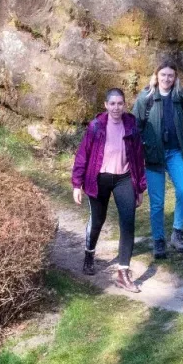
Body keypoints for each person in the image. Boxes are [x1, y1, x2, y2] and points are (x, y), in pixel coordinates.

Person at [71, 87, 146, 292]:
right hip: (99, 179)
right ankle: (89, 254)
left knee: (128, 222)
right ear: (106, 105)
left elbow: (138, 158)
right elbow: (82, 155)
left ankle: (123, 272)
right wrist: (77, 184)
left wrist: (139, 188)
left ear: (124, 105)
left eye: (120, 103)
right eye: (112, 104)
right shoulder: (96, 127)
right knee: (98, 220)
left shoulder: (131, 125)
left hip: (124, 179)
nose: (116, 107)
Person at [132, 59, 183, 259]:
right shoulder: (146, 97)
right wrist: (135, 157)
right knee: (157, 203)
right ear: (156, 76)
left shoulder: (181, 97)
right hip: (153, 156)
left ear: (175, 77)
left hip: (175, 153)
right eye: (163, 75)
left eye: (171, 75)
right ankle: (159, 240)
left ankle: (177, 233)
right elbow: (134, 129)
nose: (167, 79)